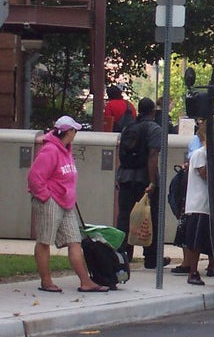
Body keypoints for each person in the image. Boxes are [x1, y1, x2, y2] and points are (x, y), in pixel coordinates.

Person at [27, 116, 109, 293]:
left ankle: (85, 281)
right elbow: (35, 178)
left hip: (66, 203)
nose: (76, 134)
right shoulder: (50, 151)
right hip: (50, 201)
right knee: (44, 241)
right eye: (74, 131)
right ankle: (46, 281)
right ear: (68, 132)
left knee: (75, 241)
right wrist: (45, 196)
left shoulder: (66, 150)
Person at [115, 97, 171, 268]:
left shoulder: (128, 127)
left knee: (124, 217)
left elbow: (122, 153)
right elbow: (153, 155)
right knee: (152, 218)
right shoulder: (154, 128)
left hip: (125, 177)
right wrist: (153, 182)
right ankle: (152, 258)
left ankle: (122, 256)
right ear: (153, 111)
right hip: (144, 179)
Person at [178, 122, 212, 285]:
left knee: (209, 239)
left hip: (207, 205)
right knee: (196, 241)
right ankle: (193, 271)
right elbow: (205, 175)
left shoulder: (208, 153)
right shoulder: (200, 154)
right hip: (199, 203)